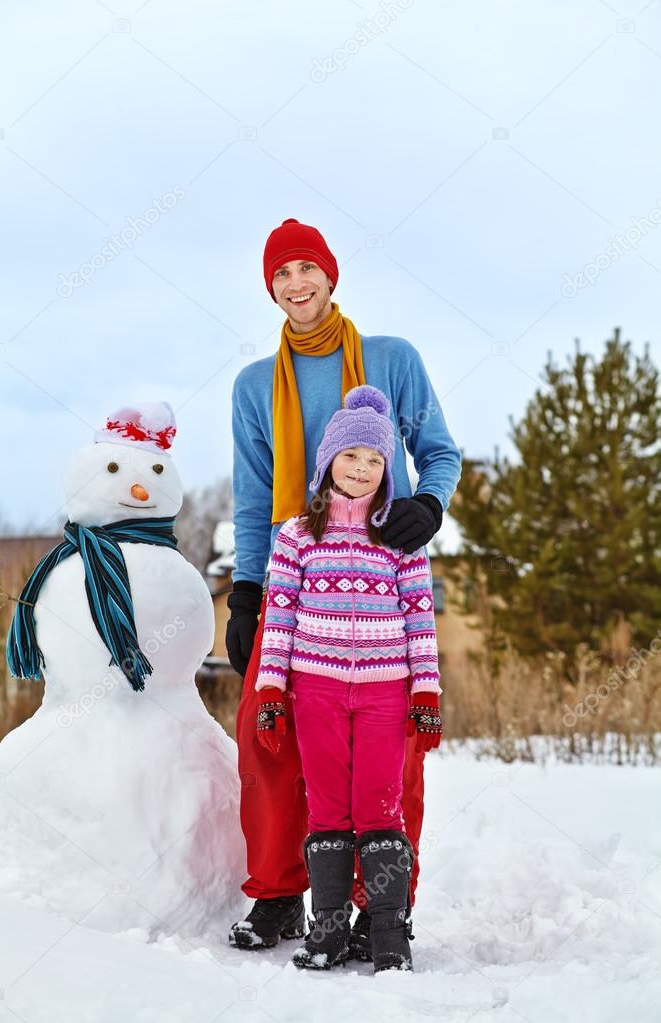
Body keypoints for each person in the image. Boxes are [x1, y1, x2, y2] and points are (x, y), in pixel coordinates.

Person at [227, 218, 461, 958]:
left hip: (381, 585)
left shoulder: (392, 360)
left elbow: (439, 452)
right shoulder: (253, 386)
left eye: (308, 269)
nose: (296, 284)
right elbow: (252, 493)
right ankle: (279, 893)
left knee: (392, 758)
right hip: (297, 581)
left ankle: (383, 904)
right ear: (271, 288)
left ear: (331, 275)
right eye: (282, 274)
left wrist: (428, 505)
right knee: (267, 741)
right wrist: (244, 589)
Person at [254, 384, 443, 973]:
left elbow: (420, 616)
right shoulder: (295, 535)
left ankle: (390, 934)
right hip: (316, 692)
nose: (361, 469)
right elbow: (280, 613)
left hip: (387, 693)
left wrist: (426, 691)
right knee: (328, 810)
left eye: (375, 460)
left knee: (381, 808)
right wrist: (270, 688)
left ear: (387, 471)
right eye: (351, 457)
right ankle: (327, 932)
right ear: (328, 462)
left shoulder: (401, 540)